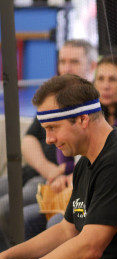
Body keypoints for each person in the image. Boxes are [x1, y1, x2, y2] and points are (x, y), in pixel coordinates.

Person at [0, 74, 117, 259]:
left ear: (83, 120)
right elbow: (67, 230)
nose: (48, 139)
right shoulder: (86, 161)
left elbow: (89, 247)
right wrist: (6, 257)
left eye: (53, 128)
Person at [0, 39, 97, 247]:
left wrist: (65, 175)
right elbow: (28, 140)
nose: (66, 68)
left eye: (74, 62)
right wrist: (49, 169)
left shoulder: (95, 103)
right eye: (62, 61)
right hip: (41, 171)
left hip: (63, 181)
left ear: (91, 66)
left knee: (7, 208)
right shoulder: (54, 97)